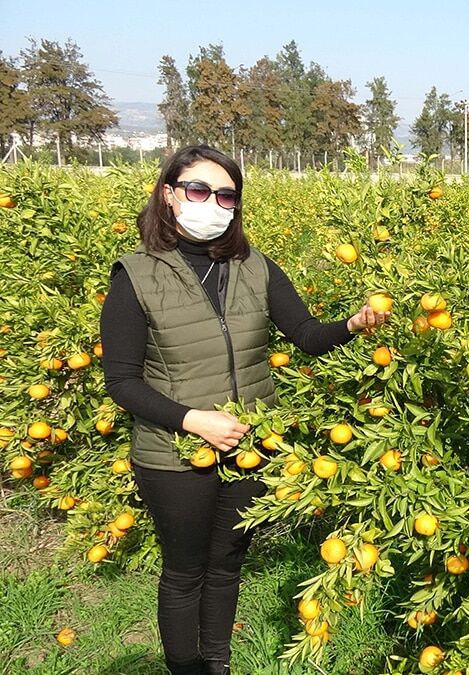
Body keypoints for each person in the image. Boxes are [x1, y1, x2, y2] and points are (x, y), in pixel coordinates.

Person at [99, 145, 389, 675]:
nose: (212, 202)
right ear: (169, 195)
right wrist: (195, 420)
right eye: (198, 190)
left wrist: (351, 326)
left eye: (225, 193)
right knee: (186, 570)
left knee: (227, 562)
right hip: (175, 452)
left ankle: (218, 664)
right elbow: (121, 381)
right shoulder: (136, 276)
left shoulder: (254, 266)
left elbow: (303, 334)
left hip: (249, 445)